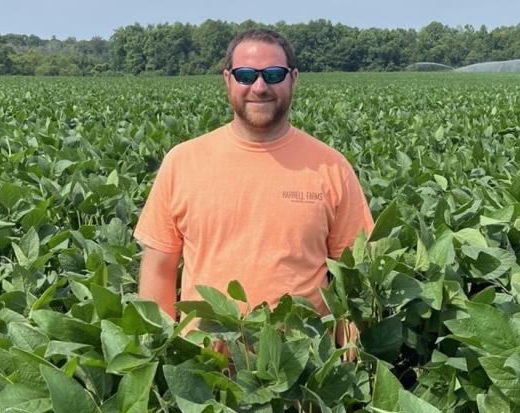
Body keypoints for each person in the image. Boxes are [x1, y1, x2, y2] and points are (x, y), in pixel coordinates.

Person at [134, 28, 373, 351]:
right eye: (246, 75)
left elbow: (353, 277)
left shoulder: (331, 167)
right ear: (228, 79)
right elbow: (159, 270)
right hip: (204, 369)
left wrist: (349, 364)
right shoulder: (183, 162)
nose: (260, 87)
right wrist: (161, 354)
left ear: (293, 79)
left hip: (301, 369)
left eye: (274, 74)